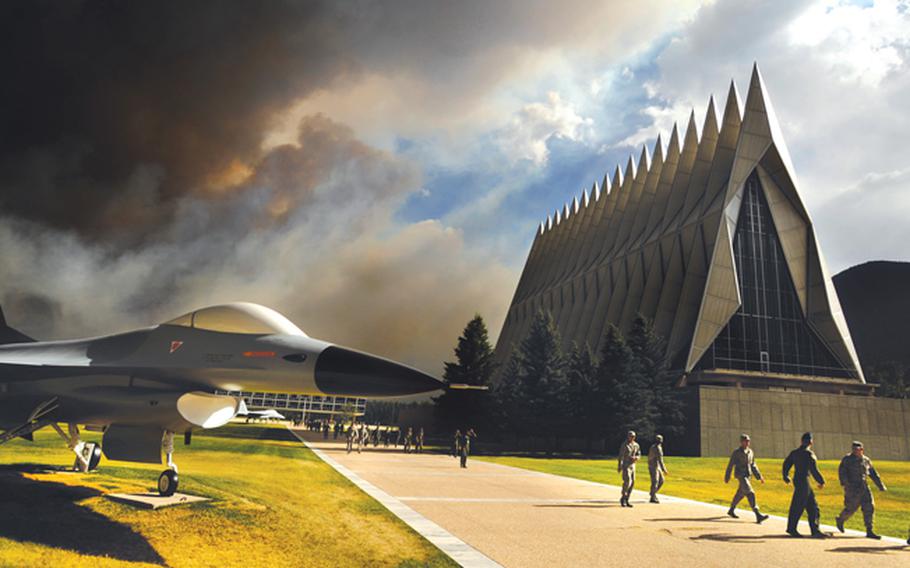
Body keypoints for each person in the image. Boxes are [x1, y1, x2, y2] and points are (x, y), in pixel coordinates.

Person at [835, 441, 886, 539]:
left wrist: (880, 485)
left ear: (862, 450)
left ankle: (869, 530)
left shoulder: (866, 460)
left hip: (864, 487)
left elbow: (873, 473)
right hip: (852, 488)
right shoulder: (847, 460)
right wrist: (846, 484)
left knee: (869, 507)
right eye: (854, 449)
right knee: (851, 508)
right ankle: (840, 519)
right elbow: (842, 472)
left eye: (858, 449)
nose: (856, 451)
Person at [783, 432, 826, 538]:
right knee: (799, 505)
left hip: (797, 479)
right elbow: (814, 470)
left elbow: (786, 464)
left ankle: (815, 530)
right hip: (804, 481)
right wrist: (821, 481)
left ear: (801, 441)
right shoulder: (809, 454)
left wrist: (786, 476)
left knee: (812, 506)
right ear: (811, 442)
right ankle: (793, 529)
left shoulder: (794, 453)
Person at [724, 433, 769, 523]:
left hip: (748, 475)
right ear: (741, 442)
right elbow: (730, 465)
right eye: (745, 441)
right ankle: (758, 514)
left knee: (740, 494)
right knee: (750, 493)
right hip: (741, 475)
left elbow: (753, 465)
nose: (747, 442)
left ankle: (731, 510)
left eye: (748, 441)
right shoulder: (736, 452)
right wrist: (727, 476)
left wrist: (759, 476)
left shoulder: (750, 452)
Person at [617, 431, 640, 507]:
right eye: (631, 436)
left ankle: (627, 499)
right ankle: (623, 498)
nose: (632, 437)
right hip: (626, 465)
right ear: (628, 436)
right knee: (627, 481)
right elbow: (621, 456)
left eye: (633, 436)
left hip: (633, 465)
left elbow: (639, 454)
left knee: (633, 482)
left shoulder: (636, 445)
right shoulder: (624, 445)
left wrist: (636, 458)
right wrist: (620, 466)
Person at [647, 434, 668, 504]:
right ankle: (653, 496)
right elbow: (660, 460)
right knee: (655, 481)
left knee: (662, 480)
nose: (660, 441)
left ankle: (653, 493)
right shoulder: (656, 448)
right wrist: (664, 469)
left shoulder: (659, 447)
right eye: (658, 439)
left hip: (657, 466)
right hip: (653, 466)